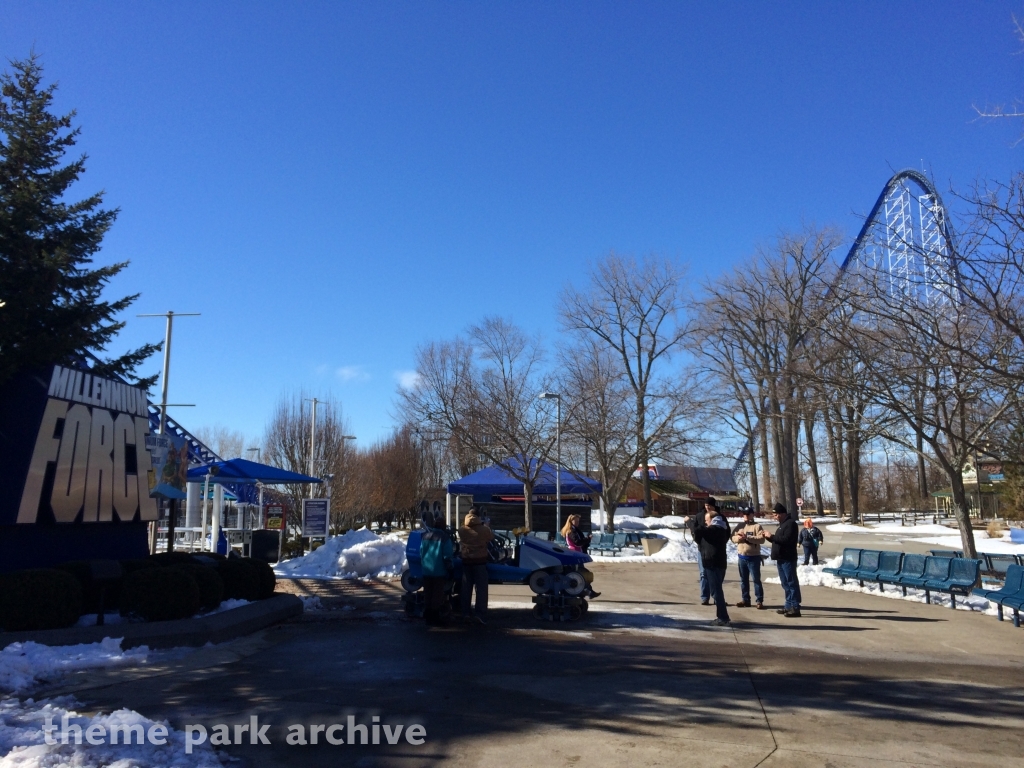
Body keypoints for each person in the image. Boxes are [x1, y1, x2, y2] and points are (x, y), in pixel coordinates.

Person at [692, 508, 731, 626]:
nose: (706, 523)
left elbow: (701, 530)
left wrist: (690, 522)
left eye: (707, 520)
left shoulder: (717, 529)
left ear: (713, 519)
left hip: (714, 564)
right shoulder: (720, 528)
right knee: (716, 590)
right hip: (714, 563)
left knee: (716, 591)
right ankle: (722, 616)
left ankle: (723, 617)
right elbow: (699, 536)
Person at [762, 503, 801, 617]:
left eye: (777, 514)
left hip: (788, 558)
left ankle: (795, 607)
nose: (775, 517)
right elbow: (778, 541)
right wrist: (769, 537)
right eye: (774, 515)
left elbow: (787, 540)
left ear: (782, 514)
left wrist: (772, 536)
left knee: (791, 582)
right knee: (785, 583)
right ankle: (788, 605)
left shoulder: (791, 524)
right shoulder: (782, 525)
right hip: (780, 558)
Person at [458, 507, 494, 625]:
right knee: (481, 590)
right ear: (479, 517)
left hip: (466, 562)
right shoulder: (484, 529)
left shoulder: (462, 530)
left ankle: (465, 613)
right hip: (480, 562)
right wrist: (486, 525)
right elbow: (490, 537)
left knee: (466, 589)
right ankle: (480, 614)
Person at [419, 509, 454, 626]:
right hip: (439, 571)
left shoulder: (425, 536)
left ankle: (427, 614)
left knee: (428, 593)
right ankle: (434, 616)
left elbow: (421, 552)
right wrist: (450, 569)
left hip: (426, 569)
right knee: (437, 595)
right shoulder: (444, 538)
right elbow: (447, 555)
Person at [731, 507, 766, 609]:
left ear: (752, 515)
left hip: (753, 557)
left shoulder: (757, 526)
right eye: (744, 514)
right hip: (742, 557)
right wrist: (739, 538)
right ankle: (745, 599)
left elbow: (761, 539)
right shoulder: (740, 526)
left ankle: (759, 600)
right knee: (743, 580)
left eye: (747, 514)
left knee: (756, 580)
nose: (745, 516)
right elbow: (732, 537)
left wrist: (748, 538)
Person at [561, 514, 601, 598]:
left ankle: (588, 591)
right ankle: (586, 591)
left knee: (581, 573)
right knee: (581, 573)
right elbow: (577, 542)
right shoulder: (571, 531)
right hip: (575, 554)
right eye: (576, 520)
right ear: (571, 521)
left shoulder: (573, 530)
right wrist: (587, 539)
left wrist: (586, 541)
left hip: (576, 553)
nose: (577, 522)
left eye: (578, 521)